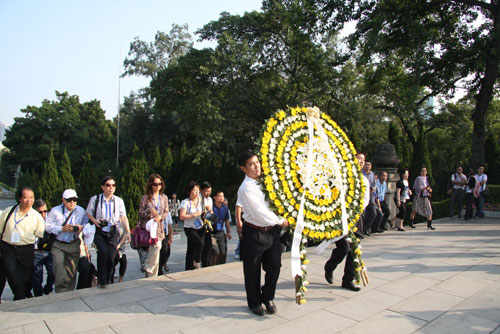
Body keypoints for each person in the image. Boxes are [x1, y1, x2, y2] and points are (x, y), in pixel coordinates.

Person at [237, 150, 289, 316]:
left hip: (272, 233)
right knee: (252, 270)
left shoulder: (266, 181)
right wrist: (280, 221)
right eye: (251, 164)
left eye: (257, 162)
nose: (256, 166)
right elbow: (259, 211)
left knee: (274, 266)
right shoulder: (246, 188)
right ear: (243, 168)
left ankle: (267, 296)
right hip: (254, 232)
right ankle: (254, 302)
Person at [324, 152, 367, 292]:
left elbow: (365, 199)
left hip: (356, 217)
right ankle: (330, 266)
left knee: (354, 249)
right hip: (341, 217)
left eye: (363, 160)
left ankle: (348, 280)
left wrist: (356, 210)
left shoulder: (363, 180)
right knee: (344, 247)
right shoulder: (342, 175)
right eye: (358, 158)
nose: (360, 161)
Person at [0, 187, 45, 300]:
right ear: (20, 198)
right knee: (11, 272)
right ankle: (20, 297)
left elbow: (39, 234)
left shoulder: (36, 216)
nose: (29, 200)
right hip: (8, 248)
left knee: (26, 275)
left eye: (31, 198)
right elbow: (1, 231)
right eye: (26, 197)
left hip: (26, 249)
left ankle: (19, 296)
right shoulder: (8, 211)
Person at [86, 176, 131, 288]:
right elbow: (88, 213)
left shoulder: (118, 201)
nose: (111, 187)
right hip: (100, 230)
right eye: (108, 185)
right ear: (103, 187)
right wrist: (96, 221)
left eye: (113, 185)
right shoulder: (95, 199)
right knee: (103, 252)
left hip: (113, 230)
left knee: (112, 256)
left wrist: (128, 231)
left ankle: (108, 277)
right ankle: (102, 279)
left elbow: (123, 217)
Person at [45, 189, 87, 293]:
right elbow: (47, 227)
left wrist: (81, 227)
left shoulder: (80, 210)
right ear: (63, 200)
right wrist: (62, 228)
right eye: (69, 200)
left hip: (73, 243)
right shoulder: (55, 211)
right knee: (59, 265)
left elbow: (87, 224)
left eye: (74, 199)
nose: (72, 202)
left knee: (71, 270)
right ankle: (60, 290)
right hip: (59, 244)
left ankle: (69, 291)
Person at [138, 174, 169, 277]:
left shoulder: (164, 197)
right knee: (157, 246)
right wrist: (149, 211)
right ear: (151, 185)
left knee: (158, 249)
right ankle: (148, 267)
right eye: (155, 184)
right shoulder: (146, 198)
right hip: (149, 228)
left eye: (160, 184)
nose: (158, 186)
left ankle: (151, 274)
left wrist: (160, 217)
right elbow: (140, 213)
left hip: (159, 228)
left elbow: (166, 212)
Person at [32, 199, 55, 296]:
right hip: (36, 251)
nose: (43, 214)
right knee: (37, 277)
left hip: (49, 251)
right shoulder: (31, 219)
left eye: (45, 211)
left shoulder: (50, 219)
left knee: (53, 272)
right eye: (40, 212)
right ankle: (38, 296)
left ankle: (48, 288)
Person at [180, 181, 205, 270]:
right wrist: (194, 214)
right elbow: (182, 216)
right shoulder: (185, 202)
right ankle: (197, 261)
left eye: (198, 190)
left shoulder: (201, 200)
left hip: (200, 227)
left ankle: (189, 267)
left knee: (191, 247)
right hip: (189, 228)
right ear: (189, 191)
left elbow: (206, 209)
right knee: (200, 243)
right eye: (194, 191)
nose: (196, 193)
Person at [208, 191, 231, 266]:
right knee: (215, 250)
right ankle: (211, 265)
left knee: (222, 252)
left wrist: (228, 231)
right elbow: (208, 218)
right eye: (219, 196)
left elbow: (227, 220)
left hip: (221, 231)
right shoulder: (211, 207)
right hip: (212, 232)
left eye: (223, 196)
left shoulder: (225, 208)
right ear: (215, 197)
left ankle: (218, 265)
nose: (222, 198)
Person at [362, 161, 377, 236]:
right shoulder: (361, 173)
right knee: (363, 214)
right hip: (363, 195)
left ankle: (366, 228)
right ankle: (362, 230)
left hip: (371, 196)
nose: (367, 166)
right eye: (366, 165)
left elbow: (374, 184)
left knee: (373, 213)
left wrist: (372, 189)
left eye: (369, 165)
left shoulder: (372, 174)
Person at [200, 181, 213, 268]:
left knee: (208, 246)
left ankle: (206, 263)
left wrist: (210, 211)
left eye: (209, 191)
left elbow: (211, 215)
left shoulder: (210, 199)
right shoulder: (198, 199)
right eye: (206, 191)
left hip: (207, 226)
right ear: (201, 190)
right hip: (198, 226)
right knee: (200, 245)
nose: (208, 193)